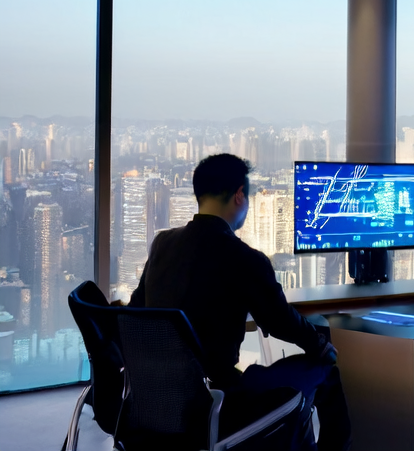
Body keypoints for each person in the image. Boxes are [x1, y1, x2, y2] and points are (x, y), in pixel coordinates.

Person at [129, 153, 351, 450]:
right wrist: (322, 345)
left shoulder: (162, 244)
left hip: (153, 403)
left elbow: (135, 310)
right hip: (216, 403)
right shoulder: (244, 258)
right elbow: (280, 321)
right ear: (239, 196)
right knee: (325, 369)